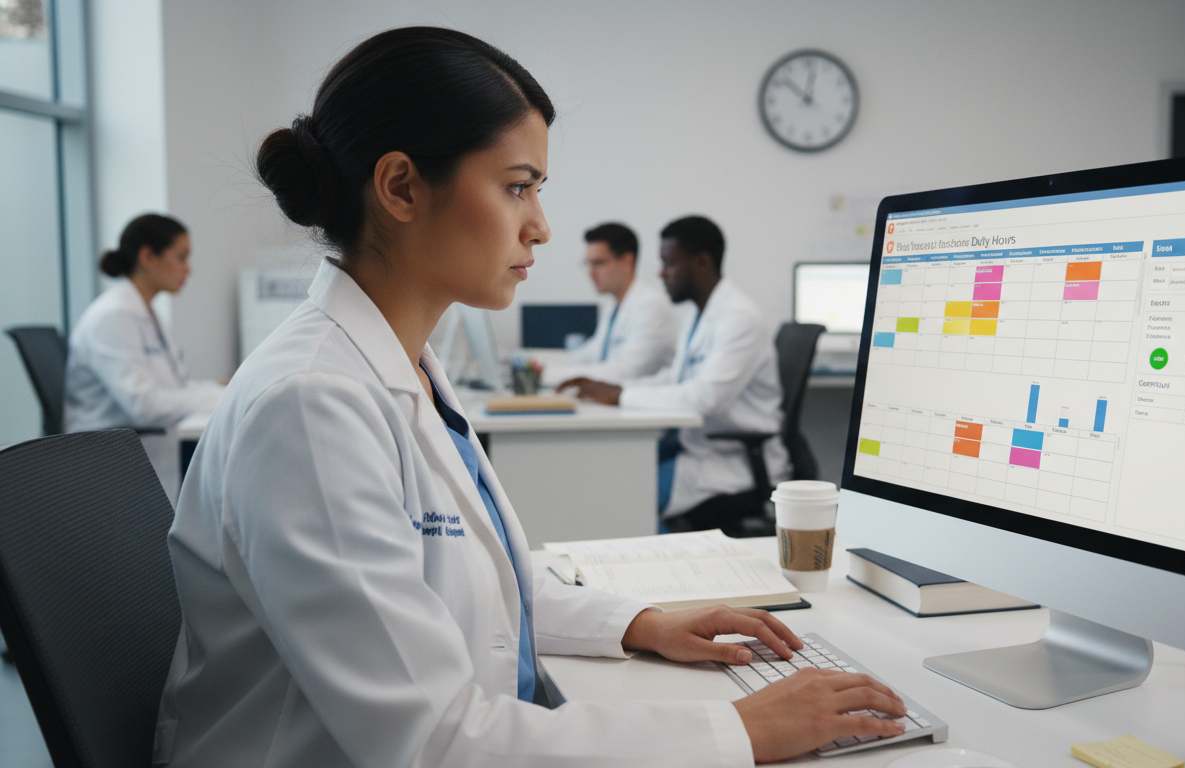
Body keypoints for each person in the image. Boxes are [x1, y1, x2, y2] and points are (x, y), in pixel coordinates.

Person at [154, 27, 905, 768]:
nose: (541, 227)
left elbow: (480, 589)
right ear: (401, 187)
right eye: (518, 187)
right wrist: (737, 731)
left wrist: (641, 621)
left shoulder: (399, 370)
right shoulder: (312, 407)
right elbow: (435, 744)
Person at [560, 216, 791, 532]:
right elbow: (675, 379)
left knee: (620, 498)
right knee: (612, 474)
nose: (660, 273)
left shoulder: (739, 318)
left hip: (731, 462)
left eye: (669, 263)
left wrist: (622, 395)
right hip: (698, 448)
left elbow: (706, 398)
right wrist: (614, 388)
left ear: (701, 262)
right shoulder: (699, 313)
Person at [64, 214, 225, 500]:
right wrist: (222, 395)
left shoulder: (145, 313)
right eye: (181, 258)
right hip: (108, 470)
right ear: (148, 256)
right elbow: (144, 404)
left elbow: (176, 389)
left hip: (141, 457)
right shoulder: (113, 316)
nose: (188, 270)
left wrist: (221, 389)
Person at [541, 222, 680, 385]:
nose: (590, 273)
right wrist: (538, 363)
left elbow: (623, 372)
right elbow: (588, 355)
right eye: (588, 264)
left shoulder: (651, 306)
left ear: (627, 261)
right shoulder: (615, 305)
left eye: (599, 263)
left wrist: (545, 375)